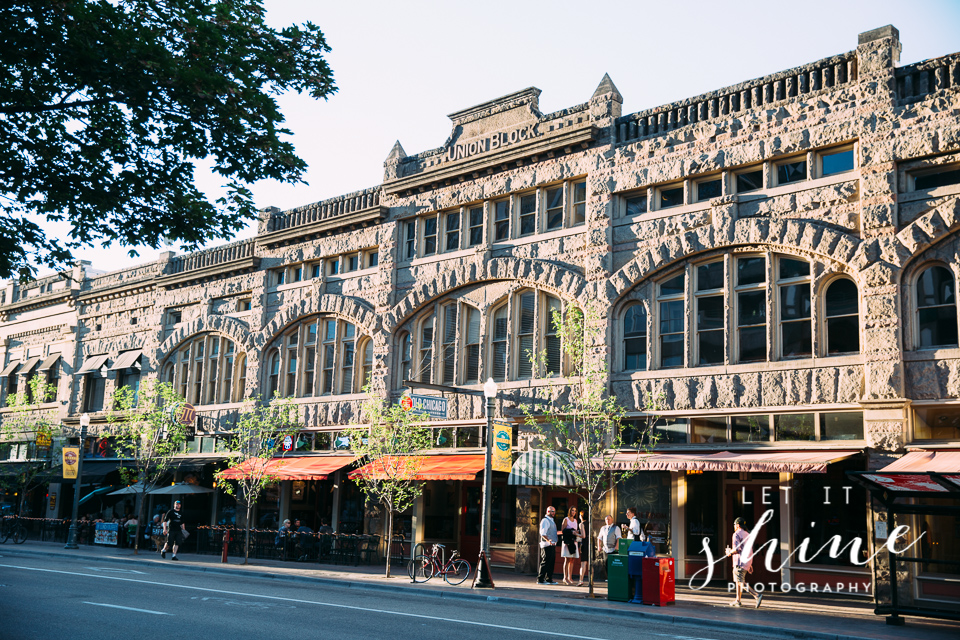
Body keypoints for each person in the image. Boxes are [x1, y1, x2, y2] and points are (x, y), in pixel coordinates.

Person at [725, 517, 762, 608]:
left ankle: (756, 595)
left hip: (739, 561)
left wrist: (729, 552)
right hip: (747, 561)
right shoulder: (747, 534)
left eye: (734, 525)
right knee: (738, 581)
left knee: (740, 581)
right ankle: (738, 600)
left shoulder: (736, 534)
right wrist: (750, 564)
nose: (734, 526)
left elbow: (737, 549)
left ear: (737, 525)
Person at [560, 506, 581, 586]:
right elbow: (563, 530)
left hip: (574, 541)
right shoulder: (566, 519)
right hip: (567, 542)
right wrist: (571, 531)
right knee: (567, 559)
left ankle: (570, 577)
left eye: (575, 511)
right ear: (570, 511)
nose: (574, 512)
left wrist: (576, 532)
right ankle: (565, 577)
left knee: (572, 559)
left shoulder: (575, 520)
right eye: (572, 510)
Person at [537, 506, 558, 585]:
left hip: (552, 544)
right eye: (552, 511)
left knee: (551, 562)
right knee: (545, 562)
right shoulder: (545, 520)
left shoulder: (551, 520)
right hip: (546, 545)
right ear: (548, 511)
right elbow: (542, 533)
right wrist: (548, 540)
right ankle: (540, 579)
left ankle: (549, 578)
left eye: (554, 511)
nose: (554, 513)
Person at [597, 514, 621, 578]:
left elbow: (618, 538)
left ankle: (614, 577)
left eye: (609, 519)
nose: (607, 521)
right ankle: (608, 577)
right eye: (606, 519)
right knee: (605, 564)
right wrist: (599, 546)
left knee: (613, 564)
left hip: (613, 549)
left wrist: (617, 546)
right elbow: (599, 538)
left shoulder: (616, 528)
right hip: (605, 549)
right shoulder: (603, 528)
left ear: (612, 519)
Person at [576, 510, 589, 586]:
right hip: (591, 542)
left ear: (581, 516)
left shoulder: (581, 524)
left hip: (585, 543)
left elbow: (583, 536)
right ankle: (591, 581)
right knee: (590, 563)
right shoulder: (590, 523)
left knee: (583, 563)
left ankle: (581, 580)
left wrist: (576, 534)